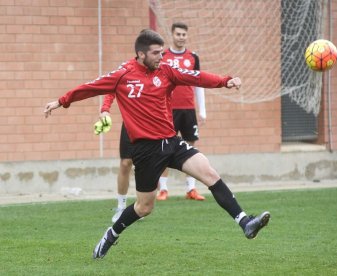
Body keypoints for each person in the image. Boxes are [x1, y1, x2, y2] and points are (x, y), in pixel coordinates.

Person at [44, 29, 270, 259]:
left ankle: (245, 223)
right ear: (141, 54)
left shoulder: (167, 71)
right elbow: (90, 87)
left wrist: (226, 81)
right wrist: (61, 101)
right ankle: (110, 235)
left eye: (161, 52)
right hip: (146, 151)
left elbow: (195, 76)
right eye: (155, 53)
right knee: (144, 207)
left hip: (172, 142)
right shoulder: (123, 74)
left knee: (209, 173)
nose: (161, 57)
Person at [157, 22, 206, 201]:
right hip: (167, 111)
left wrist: (203, 111)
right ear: (172, 35)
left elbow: (199, 83)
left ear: (187, 36)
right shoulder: (163, 56)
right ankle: (163, 189)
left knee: (191, 147)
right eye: (178, 34)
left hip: (188, 109)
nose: (181, 37)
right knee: (164, 148)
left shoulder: (193, 57)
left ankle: (191, 189)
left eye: (184, 34)